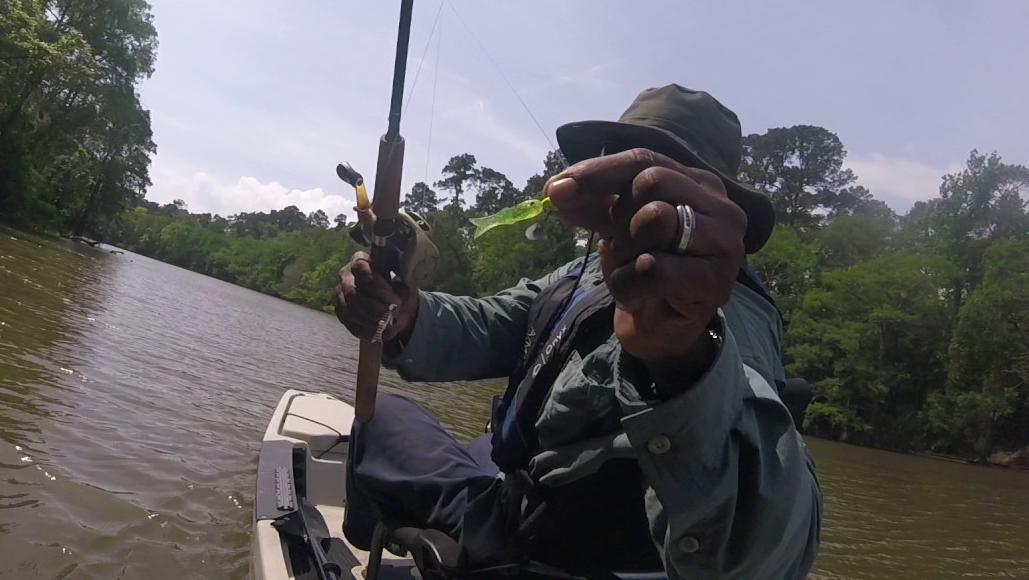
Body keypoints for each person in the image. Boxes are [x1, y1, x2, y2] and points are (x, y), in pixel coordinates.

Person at [334, 84, 822, 579]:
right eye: (619, 161)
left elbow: (769, 551)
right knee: (451, 436)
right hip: (512, 478)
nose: (633, 190)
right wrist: (402, 312)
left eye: (659, 175)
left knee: (381, 418)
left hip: (535, 544)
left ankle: (377, 541)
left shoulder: (724, 308)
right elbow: (491, 324)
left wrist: (682, 354)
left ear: (704, 198)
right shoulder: (581, 272)